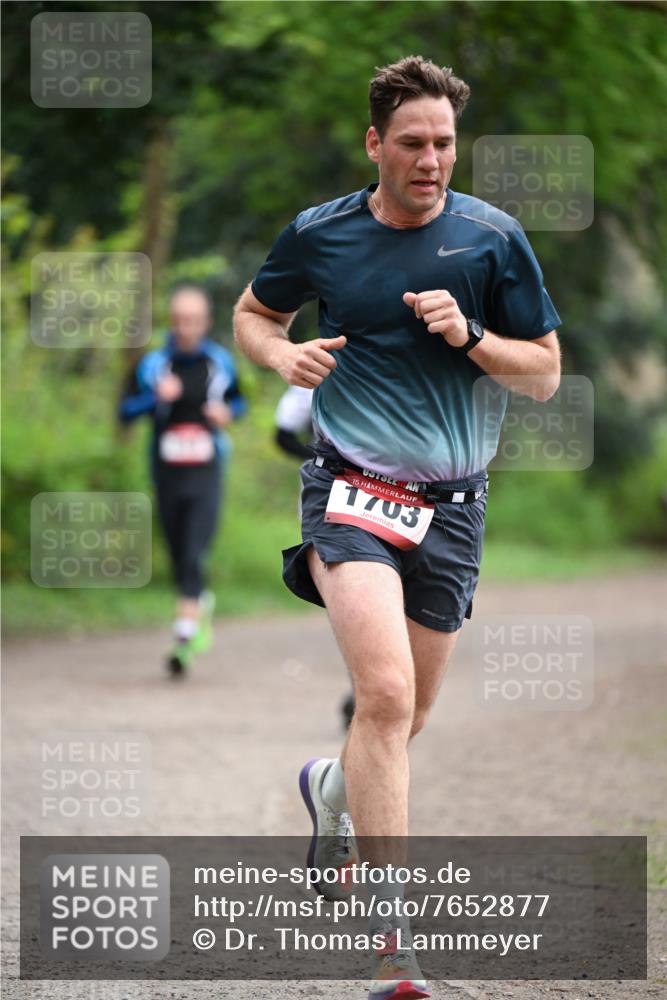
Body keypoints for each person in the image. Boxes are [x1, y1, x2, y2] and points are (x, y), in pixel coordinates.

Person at [234, 56, 561, 1000]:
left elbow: (540, 372)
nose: (431, 160)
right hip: (351, 492)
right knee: (380, 698)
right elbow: (255, 313)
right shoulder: (322, 233)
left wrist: (468, 336)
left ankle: (329, 793)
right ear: (374, 144)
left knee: (408, 718)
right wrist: (280, 352)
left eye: (444, 144)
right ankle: (392, 942)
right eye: (412, 143)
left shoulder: (492, 240)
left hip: (453, 506)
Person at [120, 284, 246, 675]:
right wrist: (157, 398)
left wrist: (227, 414)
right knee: (177, 550)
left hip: (207, 468)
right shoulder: (152, 365)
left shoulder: (220, 363)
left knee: (195, 547)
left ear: (205, 322)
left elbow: (239, 402)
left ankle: (184, 635)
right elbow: (125, 410)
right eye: (179, 320)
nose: (186, 327)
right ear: (170, 322)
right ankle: (197, 604)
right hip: (167, 469)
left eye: (193, 320)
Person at [274, 384, 356, 729]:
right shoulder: (318, 366)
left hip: (406, 495)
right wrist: (322, 459)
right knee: (353, 598)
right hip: (331, 496)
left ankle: (371, 685)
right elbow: (282, 435)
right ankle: (363, 685)